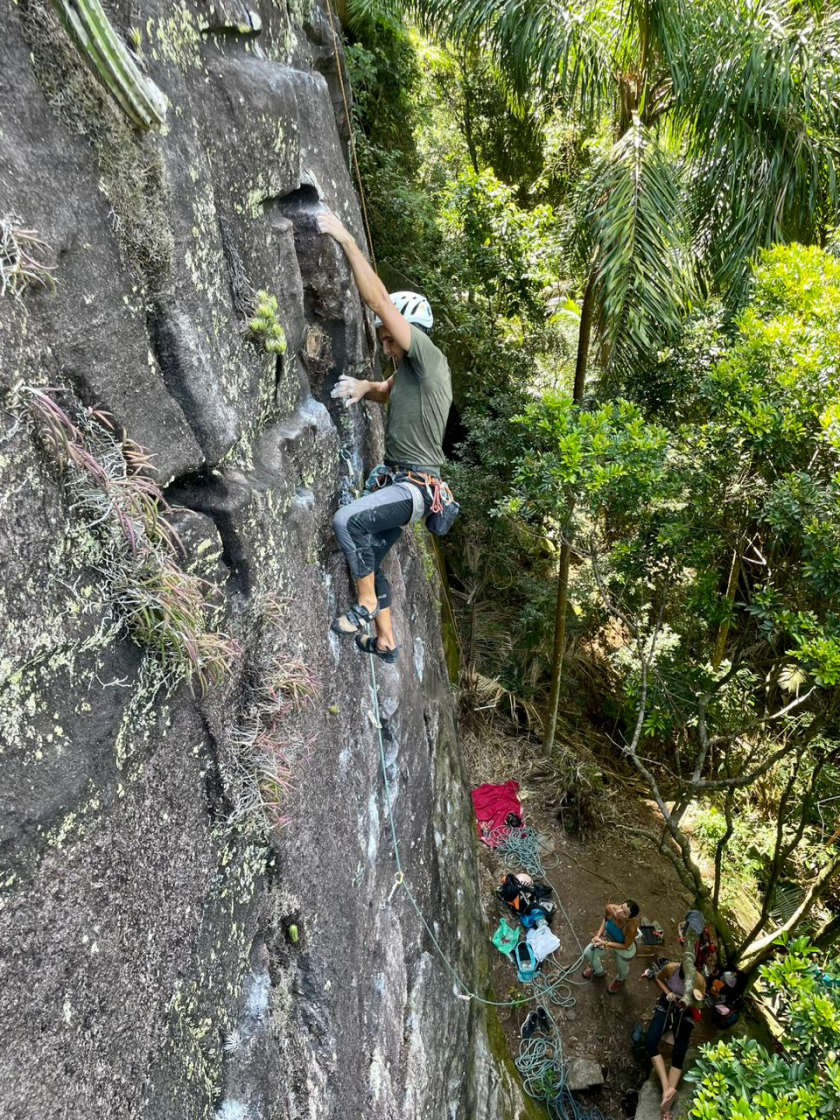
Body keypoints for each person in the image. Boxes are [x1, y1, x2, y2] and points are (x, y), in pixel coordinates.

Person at [316, 210, 452, 664]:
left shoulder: (427, 356)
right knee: (368, 557)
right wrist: (362, 387)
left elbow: (378, 301)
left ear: (408, 333)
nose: (385, 347)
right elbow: (385, 390)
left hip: (412, 488)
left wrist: (347, 239)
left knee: (347, 523)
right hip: (403, 484)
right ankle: (387, 641)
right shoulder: (411, 373)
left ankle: (369, 607)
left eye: (389, 340)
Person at [645, 962, 706, 1118]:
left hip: (687, 1009)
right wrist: (668, 992)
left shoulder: (699, 981)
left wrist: (686, 1000)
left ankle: (666, 1106)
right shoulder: (671, 969)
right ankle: (667, 1088)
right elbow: (658, 978)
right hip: (669, 1001)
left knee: (679, 1053)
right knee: (651, 1041)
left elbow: (700, 1003)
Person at [581, 899, 640, 993]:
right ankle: (598, 972)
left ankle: (620, 980)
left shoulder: (631, 928)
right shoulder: (611, 909)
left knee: (622, 968)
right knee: (588, 952)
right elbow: (605, 920)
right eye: (621, 906)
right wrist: (598, 935)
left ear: (629, 918)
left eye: (625, 913)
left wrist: (605, 944)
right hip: (608, 938)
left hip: (623, 948)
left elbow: (625, 945)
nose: (619, 912)